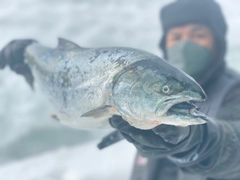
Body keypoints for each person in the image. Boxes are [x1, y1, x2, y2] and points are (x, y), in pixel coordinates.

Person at [1, 0, 240, 180]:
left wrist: (191, 140)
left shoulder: (234, 90)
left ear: (217, 41)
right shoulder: (144, 89)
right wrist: (30, 50)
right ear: (164, 43)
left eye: (198, 35)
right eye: (176, 36)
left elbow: (233, 148)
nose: (185, 43)